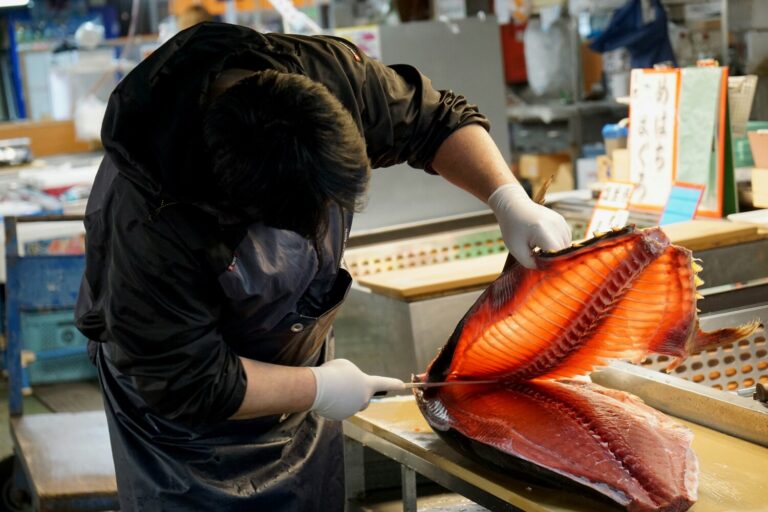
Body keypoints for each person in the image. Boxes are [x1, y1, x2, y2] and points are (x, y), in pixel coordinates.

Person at [75, 21, 571, 511]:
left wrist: (507, 198)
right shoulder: (148, 221)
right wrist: (318, 388)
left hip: (291, 369)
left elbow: (435, 120)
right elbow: (188, 381)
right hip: (182, 430)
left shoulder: (331, 78)